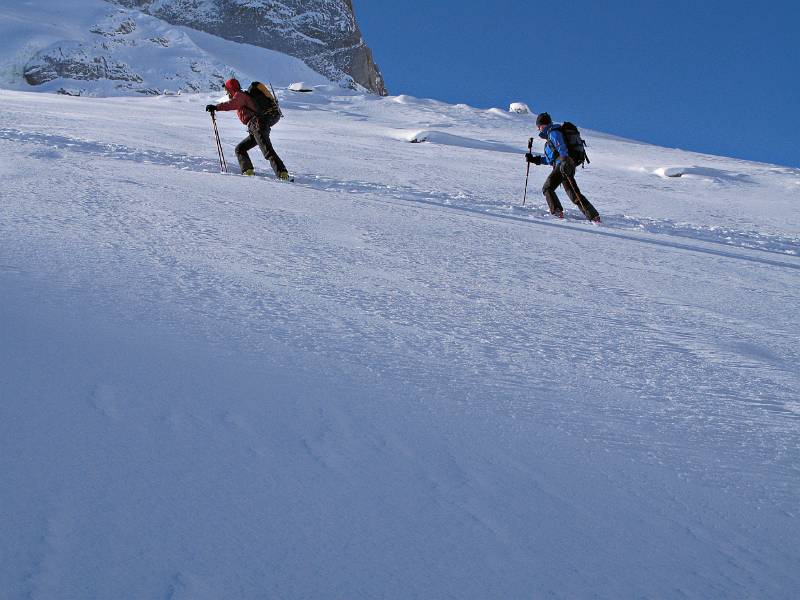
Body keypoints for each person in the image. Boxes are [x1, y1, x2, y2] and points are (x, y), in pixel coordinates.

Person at [206, 78, 290, 180]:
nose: (226, 92)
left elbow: (232, 104)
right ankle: (248, 171)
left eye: (227, 89)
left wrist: (216, 107)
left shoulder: (239, 95)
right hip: (256, 127)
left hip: (258, 125)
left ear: (231, 88)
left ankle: (282, 174)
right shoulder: (241, 95)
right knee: (240, 149)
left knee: (267, 149)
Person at [525, 112, 601, 222]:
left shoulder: (553, 133)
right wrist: (534, 159)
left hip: (564, 164)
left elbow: (562, 148)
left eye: (539, 126)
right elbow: (551, 160)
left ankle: (556, 211)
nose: (538, 129)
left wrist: (564, 161)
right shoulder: (549, 139)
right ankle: (593, 216)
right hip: (565, 164)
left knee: (547, 187)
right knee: (573, 192)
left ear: (543, 125)